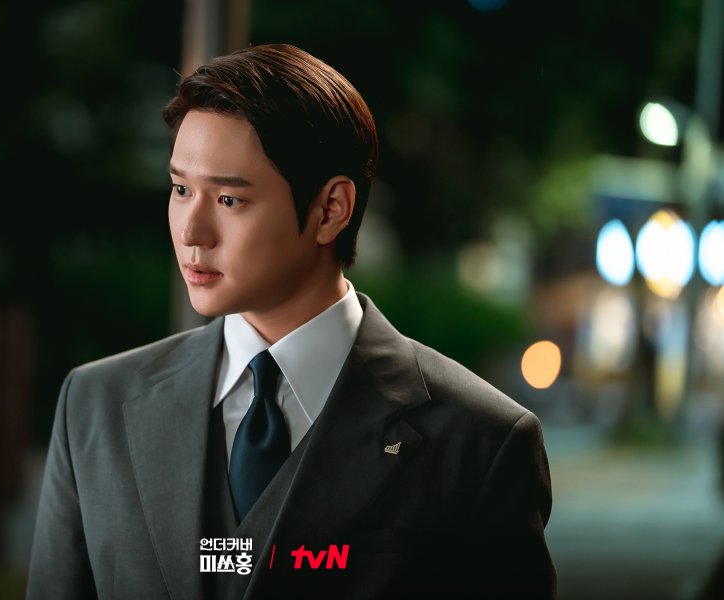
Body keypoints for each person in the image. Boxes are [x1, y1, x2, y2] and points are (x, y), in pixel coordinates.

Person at [27, 43, 556, 599]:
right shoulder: (95, 404)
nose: (190, 232)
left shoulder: (479, 441)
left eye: (229, 200)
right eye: (181, 189)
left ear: (331, 209)